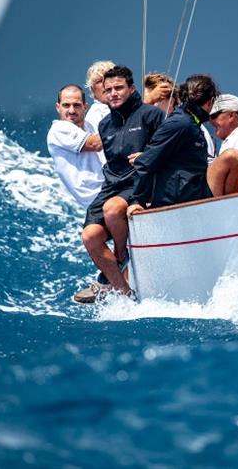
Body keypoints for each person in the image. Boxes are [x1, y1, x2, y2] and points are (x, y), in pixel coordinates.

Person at [78, 66, 166, 302]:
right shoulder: (105, 124)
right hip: (112, 185)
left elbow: (166, 151)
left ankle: (120, 254)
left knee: (113, 209)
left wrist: (146, 157)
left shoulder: (151, 115)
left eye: (119, 88)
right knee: (90, 236)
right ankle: (124, 292)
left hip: (140, 183)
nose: (114, 93)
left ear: (132, 88)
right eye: (109, 90)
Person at [126, 74, 238, 215]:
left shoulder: (191, 122)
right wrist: (136, 201)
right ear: (210, 102)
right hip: (180, 198)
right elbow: (147, 161)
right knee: (233, 157)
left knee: (233, 159)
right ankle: (230, 215)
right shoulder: (180, 123)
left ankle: (228, 214)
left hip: (193, 189)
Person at [46, 84, 105, 208]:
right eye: (66, 105)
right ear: (58, 107)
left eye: (77, 105)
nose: (72, 111)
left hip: (109, 187)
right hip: (97, 198)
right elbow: (96, 143)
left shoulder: (89, 125)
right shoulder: (59, 129)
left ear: (85, 107)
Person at [144, 72, 217, 163]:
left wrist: (144, 157)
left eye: (155, 100)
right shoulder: (145, 130)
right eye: (145, 102)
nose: (148, 107)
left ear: (171, 102)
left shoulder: (190, 126)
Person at [84, 60, 116, 164]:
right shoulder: (96, 114)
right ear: (92, 90)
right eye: (98, 81)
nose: (104, 84)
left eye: (108, 78)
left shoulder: (122, 109)